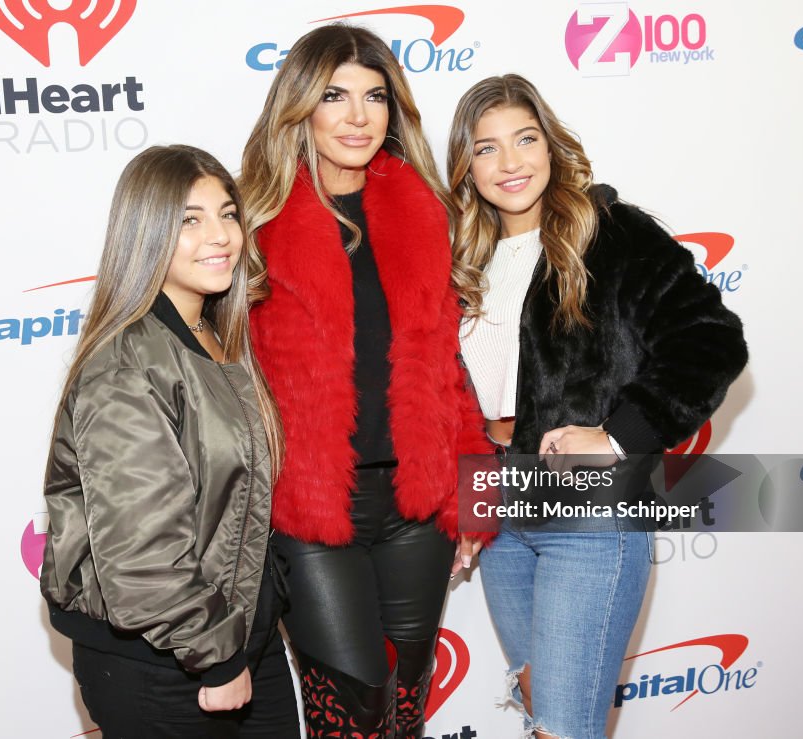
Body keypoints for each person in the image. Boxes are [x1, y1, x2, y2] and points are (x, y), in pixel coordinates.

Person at [447, 75, 747, 739]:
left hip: (590, 511)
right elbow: (452, 396)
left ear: (551, 148)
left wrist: (617, 437)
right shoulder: (459, 259)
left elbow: (711, 340)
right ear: (466, 167)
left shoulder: (610, 234)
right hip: (501, 515)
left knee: (564, 726)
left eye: (526, 139)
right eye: (488, 148)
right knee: (537, 706)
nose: (512, 162)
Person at [239, 24, 490, 738]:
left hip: (419, 501)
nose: (357, 115)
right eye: (334, 96)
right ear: (299, 108)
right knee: (351, 713)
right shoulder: (252, 222)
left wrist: (473, 495)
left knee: (403, 713)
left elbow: (448, 371)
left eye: (375, 96)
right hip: (312, 508)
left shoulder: (423, 212)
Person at [39, 145, 298, 738]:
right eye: (190, 219)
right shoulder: (129, 363)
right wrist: (217, 654)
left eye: (228, 214)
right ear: (145, 232)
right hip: (166, 661)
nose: (220, 235)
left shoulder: (216, 338)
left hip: (237, 637)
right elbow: (140, 554)